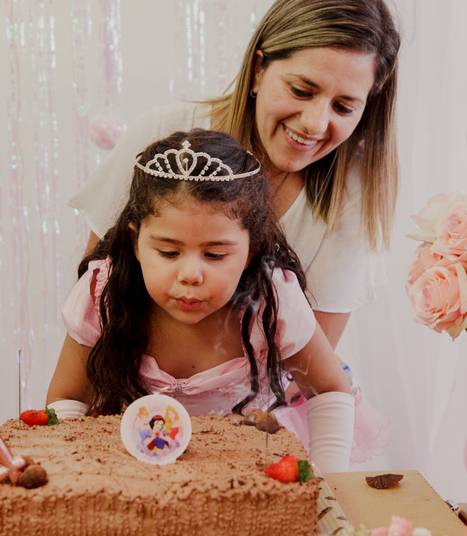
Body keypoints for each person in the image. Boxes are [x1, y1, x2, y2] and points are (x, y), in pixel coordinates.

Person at [69, 0, 401, 351]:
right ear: (259, 70)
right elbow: (94, 303)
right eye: (301, 90)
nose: (315, 123)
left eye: (343, 107)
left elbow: (310, 365)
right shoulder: (163, 134)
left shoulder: (353, 192)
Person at [47, 129, 355, 472]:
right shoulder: (104, 295)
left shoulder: (272, 302)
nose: (191, 274)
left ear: (251, 250)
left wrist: (330, 485)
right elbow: (67, 398)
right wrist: (69, 475)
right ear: (136, 243)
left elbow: (329, 391)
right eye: (167, 252)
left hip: (248, 477)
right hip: (134, 476)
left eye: (215, 254)